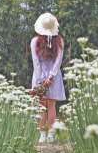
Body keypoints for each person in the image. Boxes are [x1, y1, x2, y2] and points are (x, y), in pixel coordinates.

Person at [29, 12, 67, 144]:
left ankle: (43, 135)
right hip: (54, 77)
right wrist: (50, 77)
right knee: (51, 106)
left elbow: (36, 62)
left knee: (41, 106)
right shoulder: (60, 41)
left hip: (40, 76)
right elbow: (58, 61)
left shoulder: (34, 41)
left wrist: (40, 81)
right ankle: (51, 134)